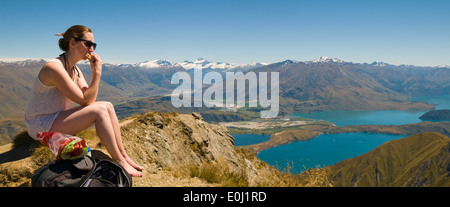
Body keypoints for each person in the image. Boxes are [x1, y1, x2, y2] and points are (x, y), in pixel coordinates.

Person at [25, 25, 143, 177]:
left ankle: (124, 156)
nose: (91, 49)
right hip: (40, 124)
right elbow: (86, 101)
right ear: (72, 43)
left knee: (107, 105)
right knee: (98, 110)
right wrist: (97, 73)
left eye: (93, 45)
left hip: (55, 117)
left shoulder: (74, 69)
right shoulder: (54, 68)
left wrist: (94, 72)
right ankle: (119, 160)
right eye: (88, 44)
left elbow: (89, 98)